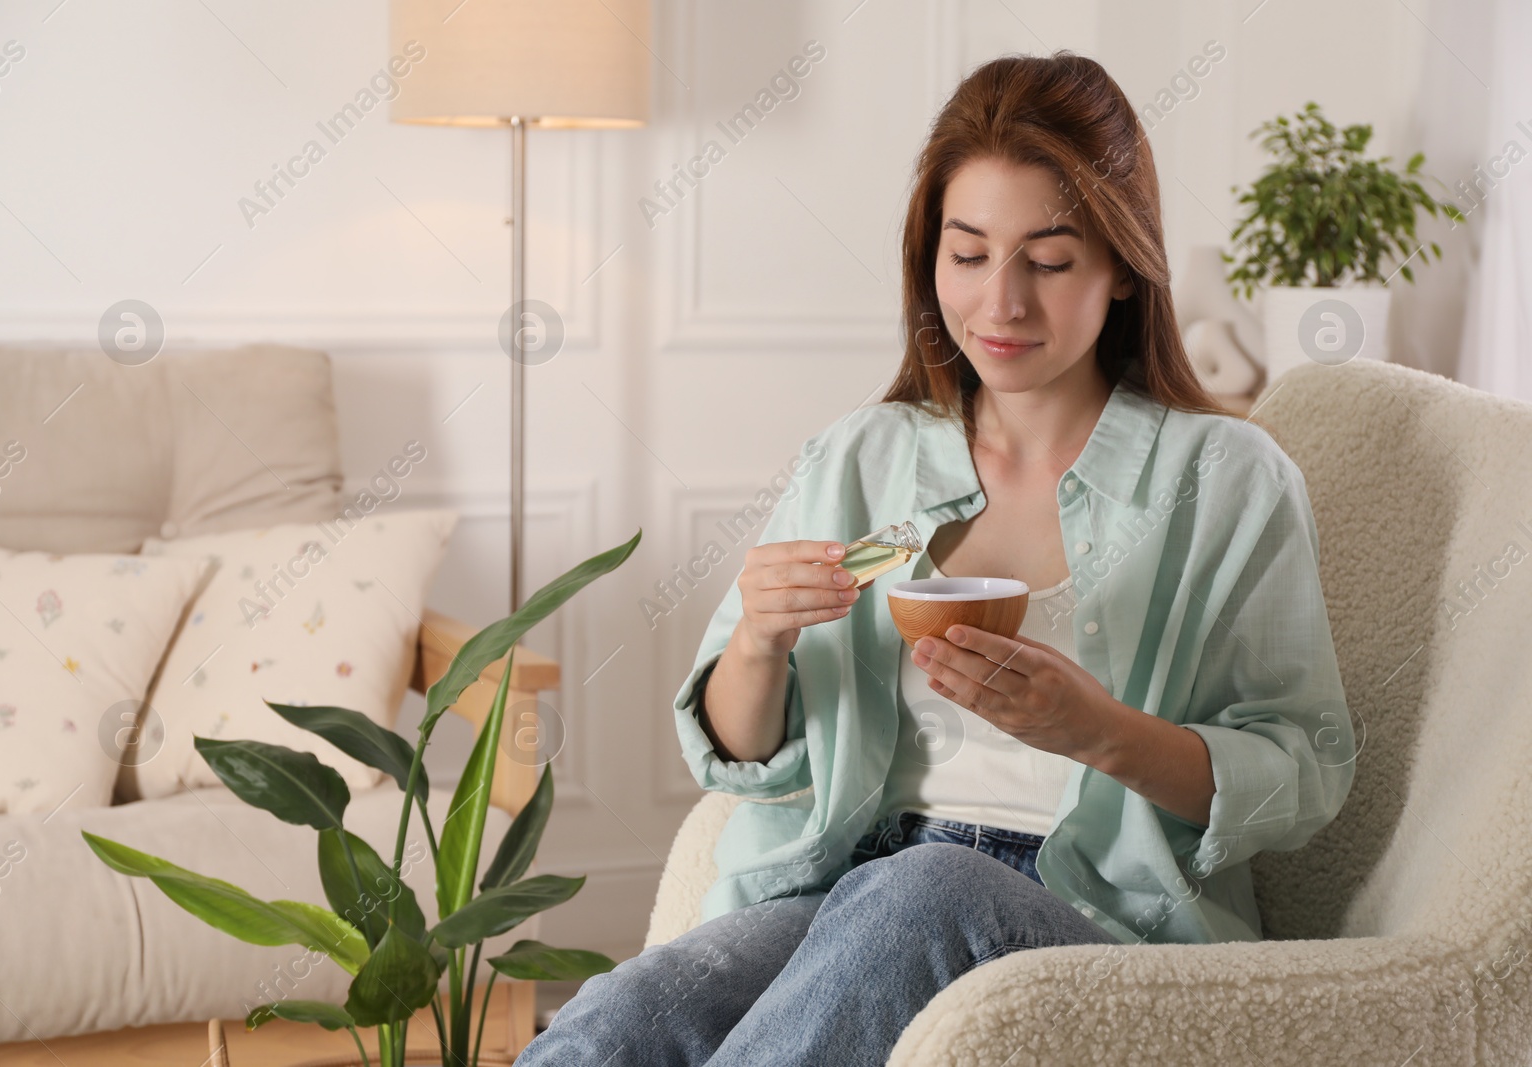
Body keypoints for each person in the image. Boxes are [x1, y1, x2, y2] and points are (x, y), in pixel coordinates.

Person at [516, 50, 1355, 1067]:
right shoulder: (867, 460)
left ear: (1124, 266)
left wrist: (1098, 730)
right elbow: (737, 753)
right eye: (967, 254)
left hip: (1093, 912)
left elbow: (1302, 769)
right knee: (625, 1014)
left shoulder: (1224, 479)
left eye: (1047, 260)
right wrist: (762, 640)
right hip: (850, 879)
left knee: (922, 893)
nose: (1001, 303)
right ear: (929, 260)